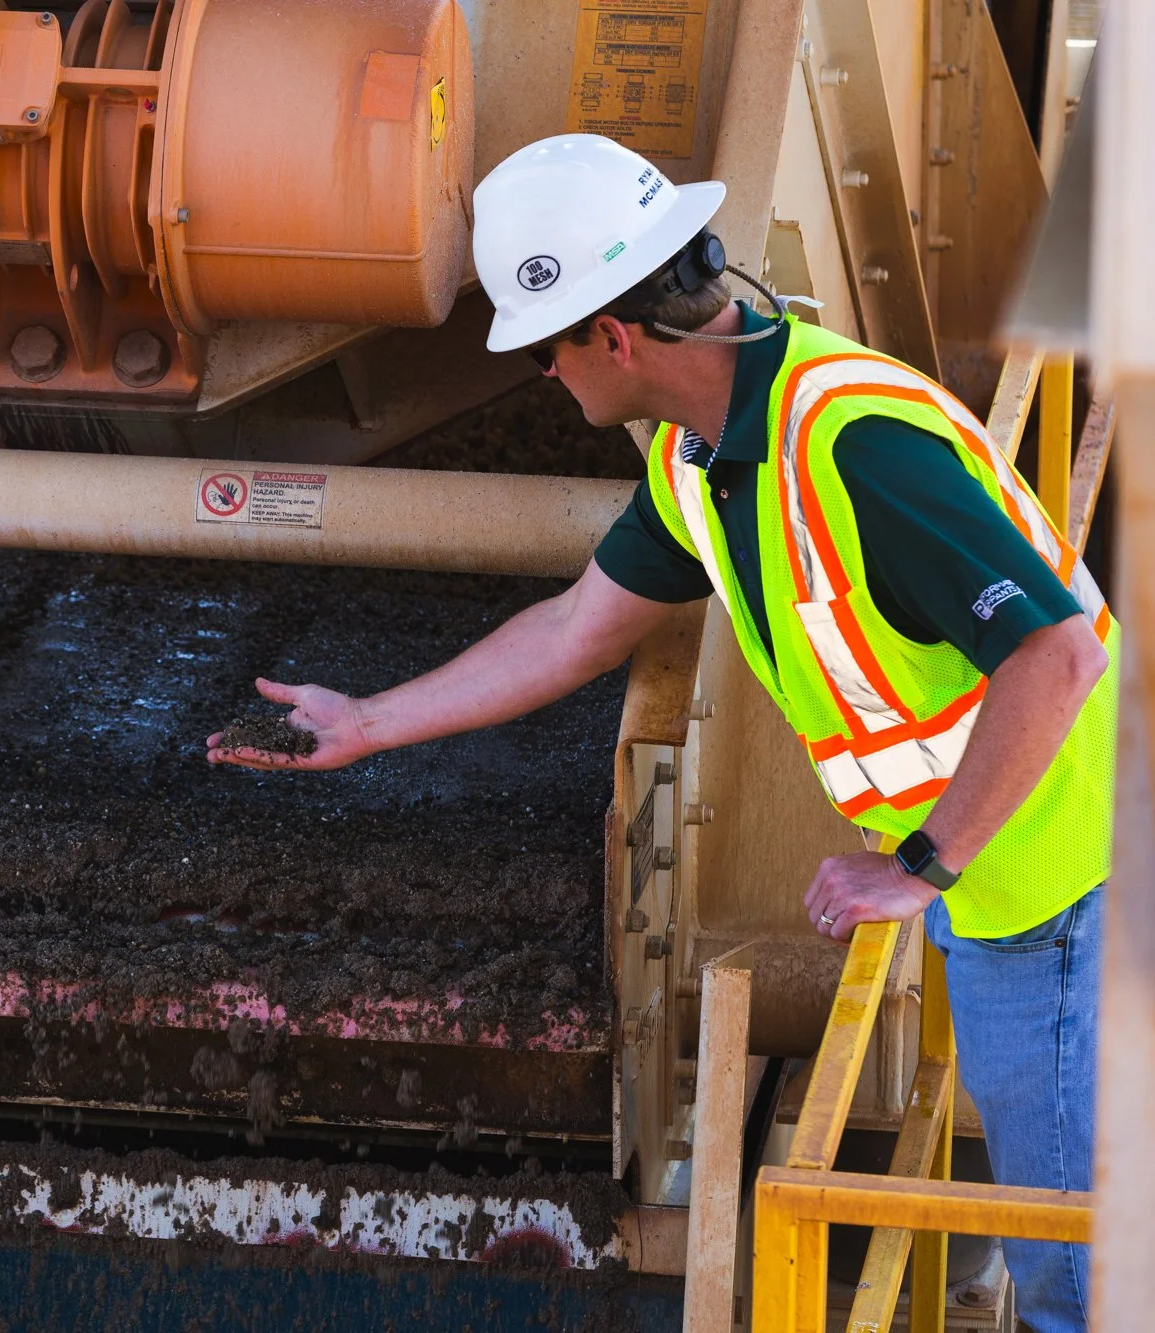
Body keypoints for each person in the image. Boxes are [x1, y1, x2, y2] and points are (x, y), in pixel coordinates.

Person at [206, 134, 1113, 1333]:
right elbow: (580, 627)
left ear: (614, 337)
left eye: (540, 346)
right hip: (1004, 870)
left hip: (1057, 885)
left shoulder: (852, 446)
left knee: (1078, 1266)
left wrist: (920, 866)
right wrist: (369, 721)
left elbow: (1057, 655)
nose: (539, 377)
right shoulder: (701, 457)